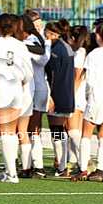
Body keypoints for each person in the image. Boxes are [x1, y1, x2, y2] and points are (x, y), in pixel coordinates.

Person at [0, 13, 32, 183]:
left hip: (0, 88)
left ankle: (12, 173)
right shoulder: (21, 45)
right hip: (17, 88)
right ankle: (9, 170)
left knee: (5, 133)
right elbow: (28, 72)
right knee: (12, 132)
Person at [71, 23, 103, 183]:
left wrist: (87, 98)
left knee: (86, 135)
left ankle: (83, 169)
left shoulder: (94, 54)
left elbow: (90, 81)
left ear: (99, 36)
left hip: (97, 98)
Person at [43, 21, 75, 177]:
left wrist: (50, 96)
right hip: (67, 94)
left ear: (52, 33)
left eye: (46, 32)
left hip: (58, 94)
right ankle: (64, 163)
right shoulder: (66, 47)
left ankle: (62, 167)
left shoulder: (55, 50)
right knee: (62, 131)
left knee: (57, 131)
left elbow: (53, 76)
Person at [21, 14, 50, 178]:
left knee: (30, 129)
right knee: (30, 129)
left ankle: (35, 166)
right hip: (35, 87)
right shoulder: (37, 40)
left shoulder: (30, 42)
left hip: (34, 88)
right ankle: (31, 165)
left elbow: (42, 59)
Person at [66, 25, 91, 176]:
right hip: (84, 93)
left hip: (78, 93)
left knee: (72, 130)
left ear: (74, 38)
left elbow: (77, 76)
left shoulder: (79, 53)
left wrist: (69, 96)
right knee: (78, 131)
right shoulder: (85, 52)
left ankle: (85, 161)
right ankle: (75, 161)